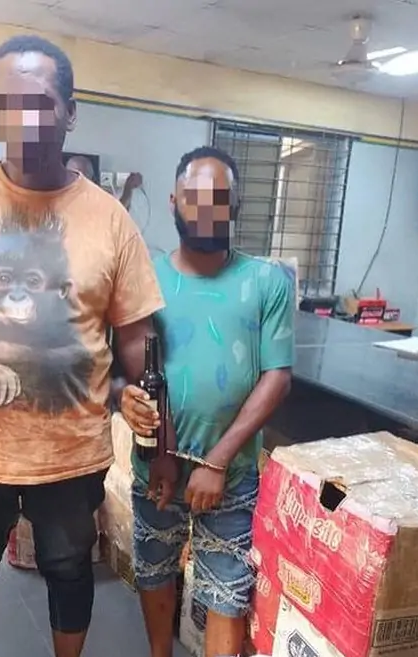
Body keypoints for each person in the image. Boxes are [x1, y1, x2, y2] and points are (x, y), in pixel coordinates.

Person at [0, 34, 176, 657]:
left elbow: (138, 337)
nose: (23, 117)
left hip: (72, 450)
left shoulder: (111, 220)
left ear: (70, 112)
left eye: (39, 102)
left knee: (70, 569)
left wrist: (155, 430)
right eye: (7, 102)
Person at [120, 146, 294, 657]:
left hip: (231, 474)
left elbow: (277, 377)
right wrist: (153, 439)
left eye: (220, 198)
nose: (206, 208)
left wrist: (216, 461)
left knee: (228, 591)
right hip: (156, 467)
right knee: (154, 571)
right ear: (173, 201)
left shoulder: (266, 281)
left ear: (235, 205)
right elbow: (130, 367)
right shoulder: (145, 277)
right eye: (194, 196)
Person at [65, 154, 143, 211]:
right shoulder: (62, 199)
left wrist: (129, 187)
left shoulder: (97, 200)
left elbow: (120, 214)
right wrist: (128, 187)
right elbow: (120, 214)